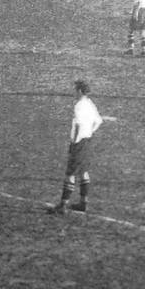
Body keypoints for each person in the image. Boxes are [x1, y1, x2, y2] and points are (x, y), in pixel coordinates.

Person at [48, 80, 103, 215]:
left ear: (79, 90)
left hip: (79, 143)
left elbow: (78, 125)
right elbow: (99, 121)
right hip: (88, 141)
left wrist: (74, 140)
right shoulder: (90, 103)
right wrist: (89, 132)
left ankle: (63, 205)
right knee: (83, 171)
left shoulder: (78, 106)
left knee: (70, 174)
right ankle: (83, 202)